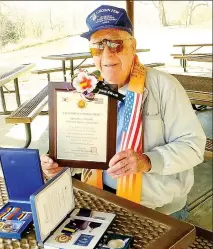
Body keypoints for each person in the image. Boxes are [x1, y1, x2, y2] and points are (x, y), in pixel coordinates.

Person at [41, 5, 206, 220]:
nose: (107, 54)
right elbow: (78, 148)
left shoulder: (164, 86)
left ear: (133, 46)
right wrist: (60, 165)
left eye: (116, 44)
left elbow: (193, 146)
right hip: (101, 201)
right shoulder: (88, 91)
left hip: (160, 211)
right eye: (98, 46)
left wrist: (147, 160)